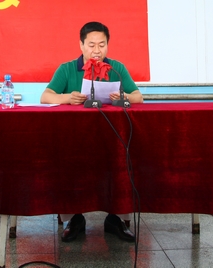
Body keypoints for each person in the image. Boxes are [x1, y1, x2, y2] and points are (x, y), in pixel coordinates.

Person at [40, 21, 142, 243]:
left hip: (112, 137)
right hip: (75, 138)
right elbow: (46, 96)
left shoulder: (116, 68)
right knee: (68, 167)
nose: (97, 50)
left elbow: (138, 97)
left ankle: (116, 219)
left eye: (102, 45)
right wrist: (68, 98)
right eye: (92, 45)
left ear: (108, 45)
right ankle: (73, 219)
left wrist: (124, 97)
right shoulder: (67, 68)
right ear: (81, 45)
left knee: (123, 164)